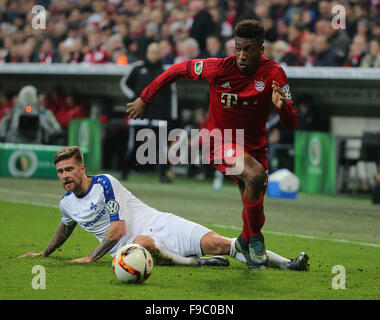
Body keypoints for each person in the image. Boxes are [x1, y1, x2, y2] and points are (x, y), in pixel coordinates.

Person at [125, 20, 298, 270]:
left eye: (248, 49)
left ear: (261, 49)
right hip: (220, 142)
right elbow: (176, 71)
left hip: (255, 147)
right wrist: (145, 97)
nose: (241, 55)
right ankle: (256, 241)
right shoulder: (217, 68)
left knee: (254, 202)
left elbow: (292, 123)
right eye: (238, 48)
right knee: (255, 175)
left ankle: (245, 242)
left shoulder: (274, 74)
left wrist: (282, 110)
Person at [20, 146, 309, 272]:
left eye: (69, 169)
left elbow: (116, 227)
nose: (65, 176)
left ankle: (288, 264)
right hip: (128, 248)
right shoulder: (66, 203)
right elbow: (65, 224)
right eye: (60, 172)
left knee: (222, 243)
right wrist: (45, 253)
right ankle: (195, 262)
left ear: (82, 168)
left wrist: (88, 258)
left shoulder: (104, 183)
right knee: (142, 243)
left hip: (160, 222)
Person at [121, 42, 175, 183]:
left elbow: (171, 95)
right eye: (151, 51)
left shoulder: (165, 71)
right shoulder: (137, 68)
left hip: (159, 116)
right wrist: (134, 98)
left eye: (157, 52)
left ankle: (163, 175)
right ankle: (124, 172)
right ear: (147, 53)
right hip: (139, 115)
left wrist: (172, 115)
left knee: (162, 146)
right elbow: (124, 84)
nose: (154, 54)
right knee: (133, 145)